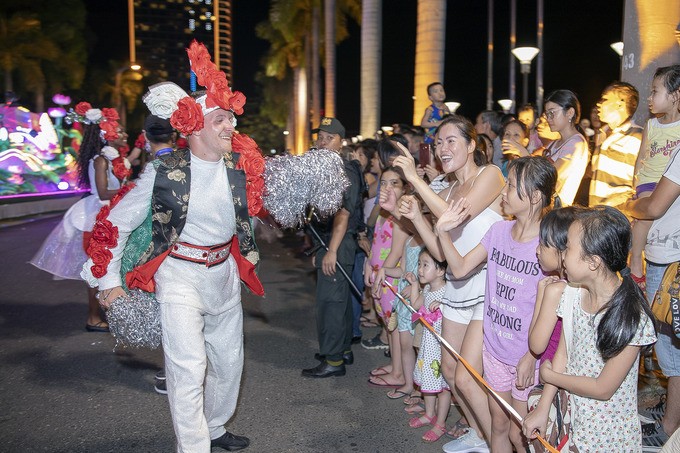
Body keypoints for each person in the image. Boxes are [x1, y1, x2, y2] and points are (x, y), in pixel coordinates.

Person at [83, 42, 265, 452]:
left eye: (231, 120)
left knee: (229, 364)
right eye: (221, 119)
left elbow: (256, 213)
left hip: (224, 277)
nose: (229, 127)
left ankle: (214, 428)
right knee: (188, 370)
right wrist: (108, 280)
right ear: (196, 125)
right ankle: (194, 446)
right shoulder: (163, 173)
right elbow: (114, 223)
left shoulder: (240, 168)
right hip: (179, 278)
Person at [391, 115, 505, 452]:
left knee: (468, 376)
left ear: (471, 145)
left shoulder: (491, 175)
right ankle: (479, 432)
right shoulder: (450, 188)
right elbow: (442, 247)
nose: (442, 148)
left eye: (451, 140)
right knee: (452, 373)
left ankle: (494, 442)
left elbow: (458, 216)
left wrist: (415, 178)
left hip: (486, 283)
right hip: (457, 285)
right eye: (438, 142)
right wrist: (414, 218)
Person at [434, 156, 558, 452]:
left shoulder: (549, 245)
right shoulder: (498, 232)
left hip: (526, 357)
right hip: (494, 348)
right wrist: (442, 232)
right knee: (499, 426)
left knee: (523, 435)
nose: (503, 192)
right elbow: (461, 268)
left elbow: (553, 306)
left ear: (534, 196)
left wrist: (531, 354)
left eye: (511, 186)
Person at [523, 206, 657, 451]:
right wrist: (543, 408)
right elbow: (563, 354)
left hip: (607, 435)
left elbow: (603, 388)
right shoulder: (572, 294)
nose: (562, 255)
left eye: (569, 248)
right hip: (573, 421)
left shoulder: (630, 315)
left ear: (594, 262)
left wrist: (551, 377)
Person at [30, 103, 125, 332]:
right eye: (119, 130)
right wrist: (130, 189)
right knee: (97, 268)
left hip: (105, 215)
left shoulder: (107, 159)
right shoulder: (100, 160)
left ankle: (102, 313)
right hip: (96, 217)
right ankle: (93, 317)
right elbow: (103, 192)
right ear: (105, 133)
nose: (124, 133)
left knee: (104, 268)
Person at [618, 123, 680, 448]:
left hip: (672, 260)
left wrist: (628, 206)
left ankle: (669, 426)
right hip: (667, 254)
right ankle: (672, 410)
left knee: (671, 347)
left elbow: (655, 206)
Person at [302, 116, 363, 378]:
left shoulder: (344, 171)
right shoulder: (329, 169)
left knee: (331, 304)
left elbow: (344, 214)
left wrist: (332, 251)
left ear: (342, 142)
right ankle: (342, 348)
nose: (323, 142)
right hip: (333, 242)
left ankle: (334, 361)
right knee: (341, 302)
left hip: (338, 243)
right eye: (320, 137)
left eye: (330, 138)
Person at [628, 65, 680, 286]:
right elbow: (641, 156)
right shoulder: (652, 124)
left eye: (655, 92)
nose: (649, 98)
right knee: (643, 219)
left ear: (675, 96)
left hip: (667, 181)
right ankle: (636, 262)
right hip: (650, 180)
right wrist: (635, 181)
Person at [405, 249, 451, 443]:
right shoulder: (428, 289)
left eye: (425, 265)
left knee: (443, 386)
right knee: (428, 380)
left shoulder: (448, 291)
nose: (420, 269)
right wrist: (415, 284)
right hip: (428, 345)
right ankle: (429, 413)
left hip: (442, 347)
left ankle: (440, 422)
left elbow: (454, 311)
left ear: (440, 270)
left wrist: (442, 304)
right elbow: (416, 305)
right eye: (419, 265)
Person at [588, 82, 643, 207]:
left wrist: (617, 204)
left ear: (620, 104)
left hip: (618, 217)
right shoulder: (602, 134)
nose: (599, 103)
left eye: (605, 99)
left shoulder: (638, 136)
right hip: (596, 214)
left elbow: (644, 182)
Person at [542, 89, 589, 206]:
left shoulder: (576, 143)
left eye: (552, 113)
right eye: (547, 114)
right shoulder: (553, 144)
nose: (548, 118)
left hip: (558, 211)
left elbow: (550, 176)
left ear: (570, 112)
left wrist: (523, 154)